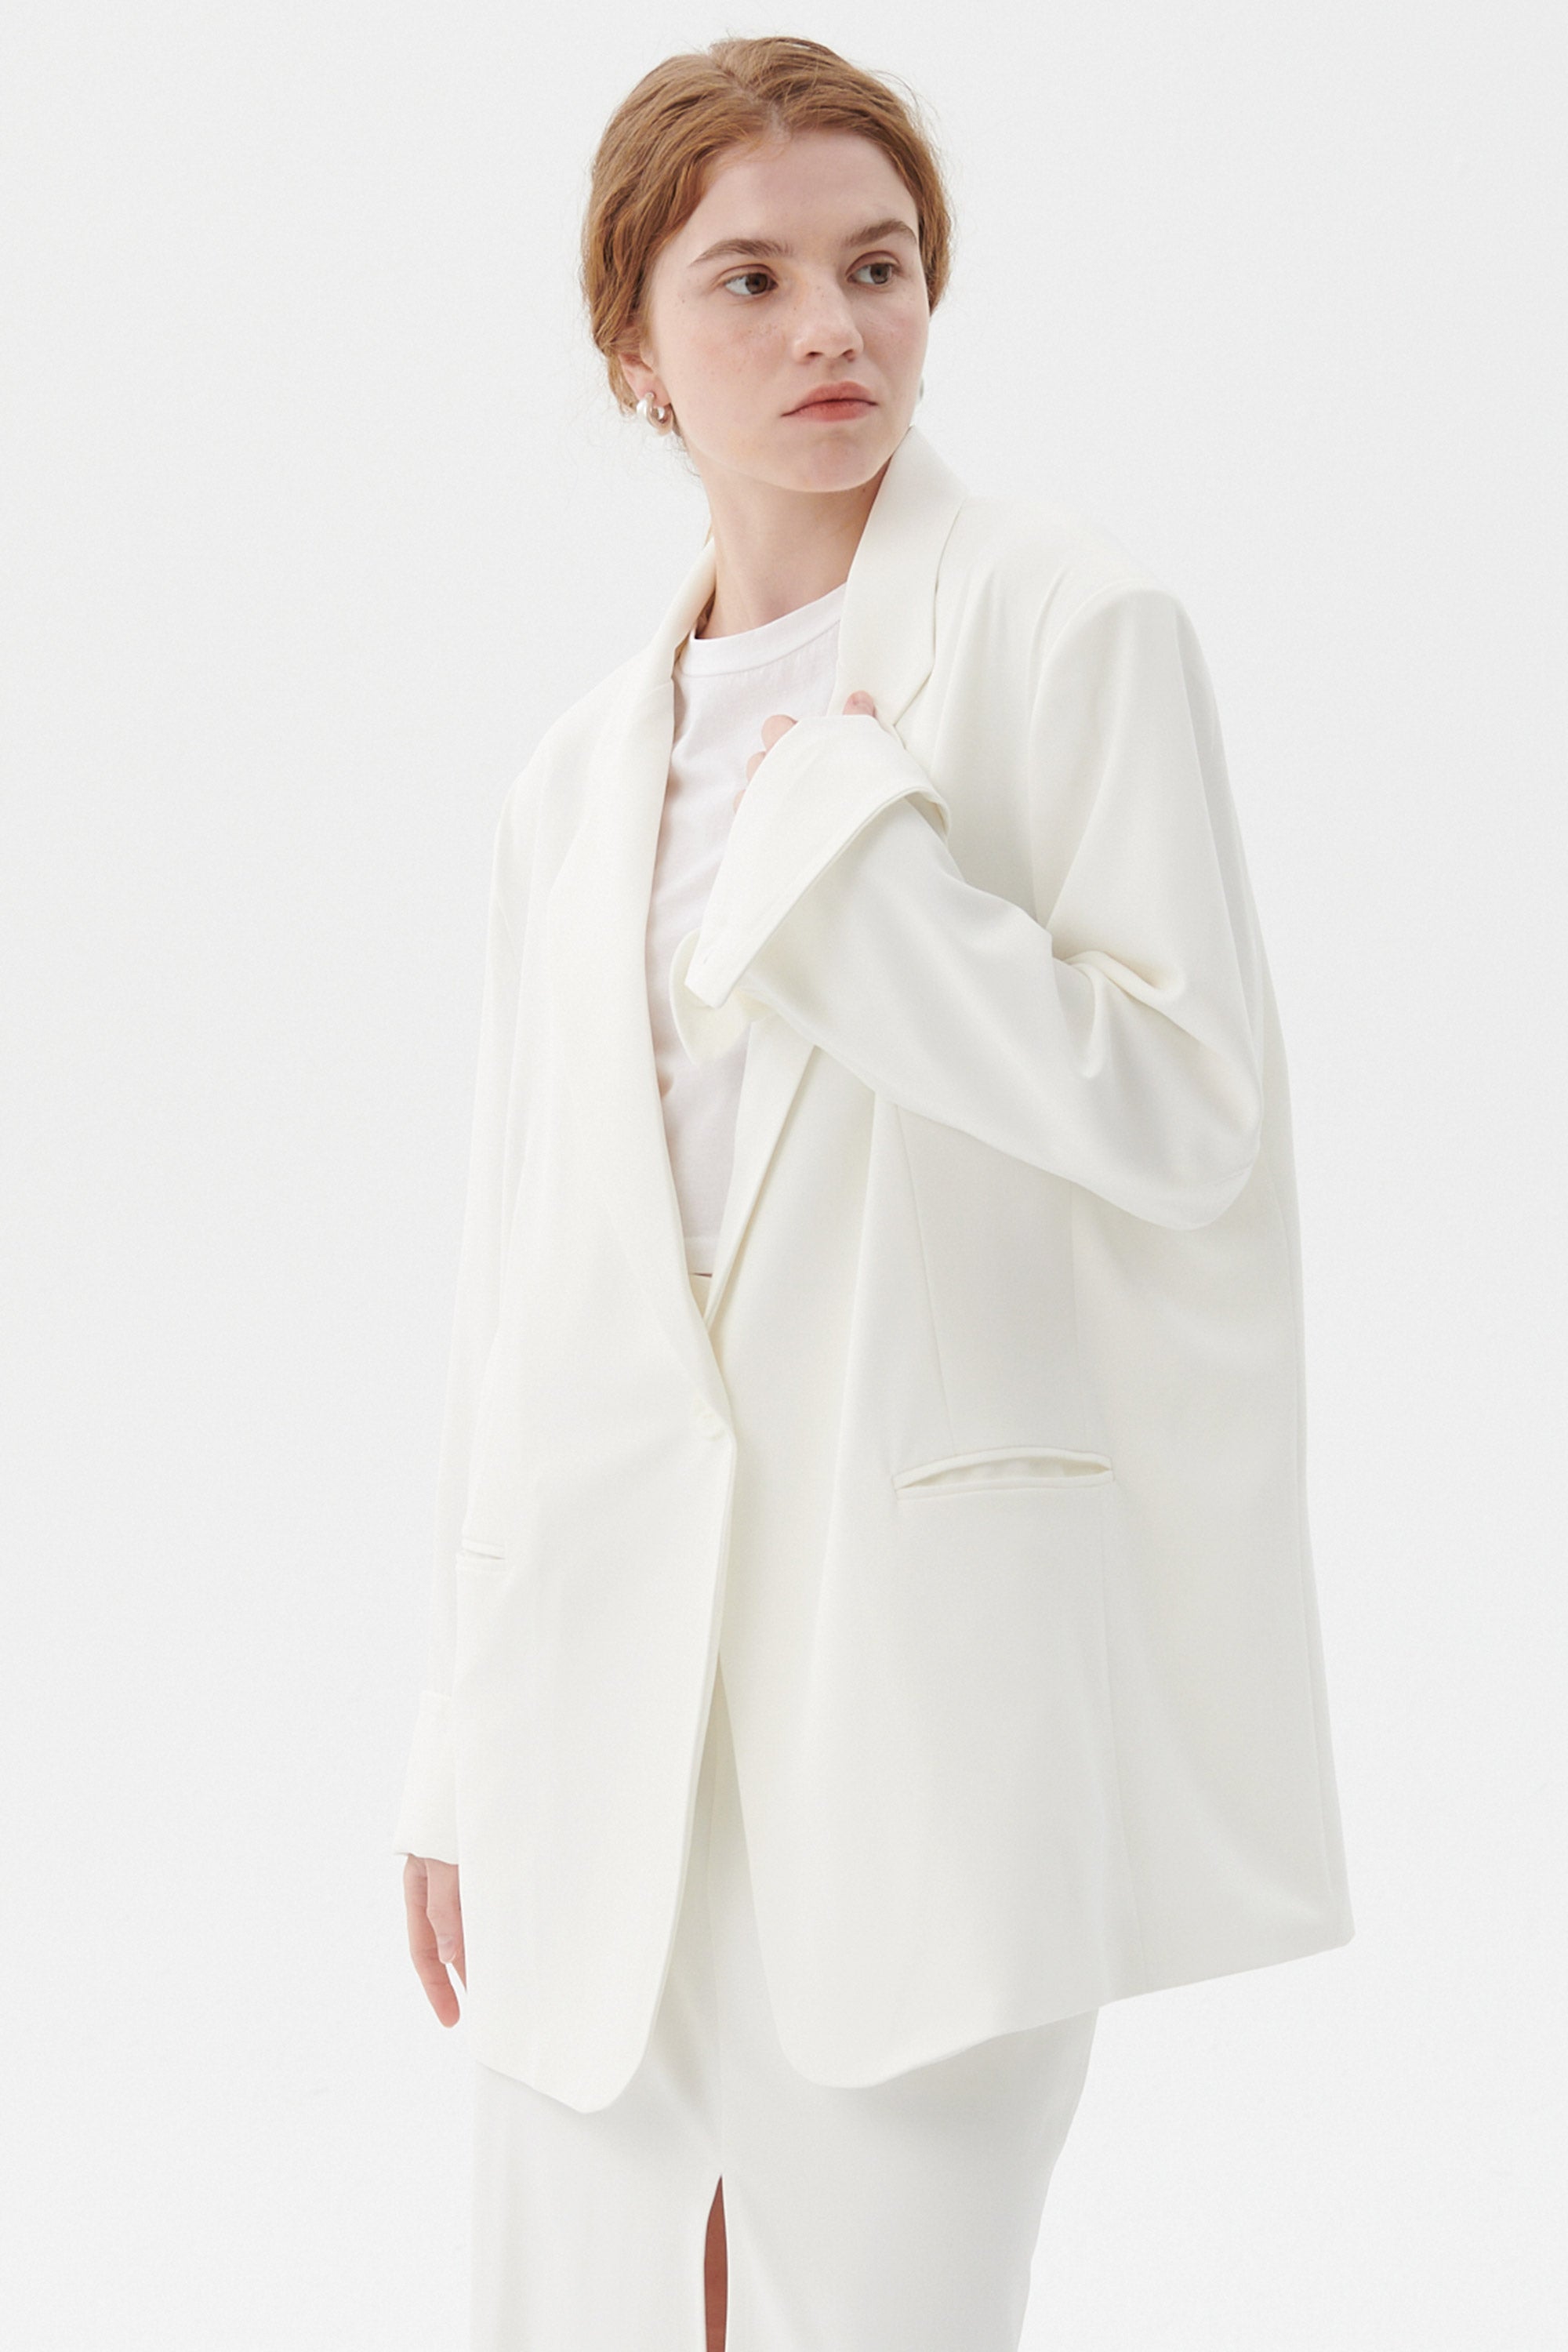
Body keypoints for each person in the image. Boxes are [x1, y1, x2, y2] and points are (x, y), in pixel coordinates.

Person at [394, 34, 1354, 2351]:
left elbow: (1191, 1118)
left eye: (880, 265)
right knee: (599, 2306)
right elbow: (528, 1276)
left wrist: (864, 886)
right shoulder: (574, 781)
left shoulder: (1065, 630)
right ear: (633, 350)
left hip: (912, 1708)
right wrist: (455, 1741)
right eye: (750, 279)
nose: (832, 326)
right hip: (596, 1703)